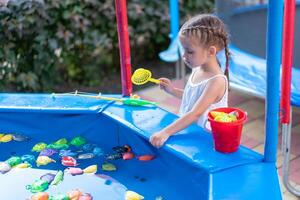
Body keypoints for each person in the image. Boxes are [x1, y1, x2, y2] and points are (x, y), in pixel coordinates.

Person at [150, 14, 230, 148]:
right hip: (191, 132)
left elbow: (196, 113)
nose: (184, 55)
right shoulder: (197, 69)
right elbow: (193, 98)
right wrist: (172, 90)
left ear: (211, 52)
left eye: (190, 51)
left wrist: (165, 132)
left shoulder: (216, 81)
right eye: (183, 50)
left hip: (208, 139)